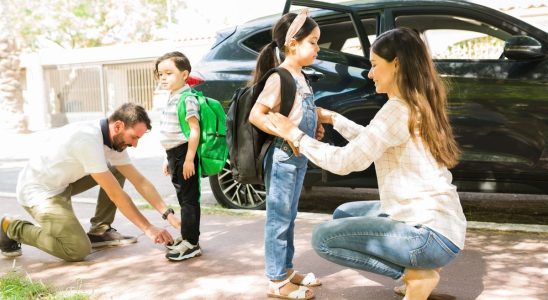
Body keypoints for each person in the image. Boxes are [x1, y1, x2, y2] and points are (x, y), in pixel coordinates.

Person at [265, 27, 467, 300]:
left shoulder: (397, 109)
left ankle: (415, 276)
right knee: (343, 215)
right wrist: (335, 119)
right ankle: (417, 271)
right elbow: (373, 141)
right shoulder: (414, 102)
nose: (370, 73)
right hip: (444, 226)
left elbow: (346, 161)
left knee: (324, 238)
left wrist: (295, 136)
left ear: (396, 64)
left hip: (429, 237)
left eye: (374, 65)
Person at [0, 103, 180, 262]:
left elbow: (140, 181)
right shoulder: (88, 140)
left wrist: (168, 214)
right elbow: (115, 194)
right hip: (39, 193)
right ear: (118, 126)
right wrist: (148, 228)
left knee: (115, 169)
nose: (135, 145)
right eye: (134, 137)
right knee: (76, 249)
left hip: (62, 183)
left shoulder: (113, 141)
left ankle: (99, 231)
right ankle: (11, 227)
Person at [248, 9, 324, 300]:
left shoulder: (300, 75)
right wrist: (287, 133)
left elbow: (296, 113)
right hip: (282, 157)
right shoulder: (280, 77)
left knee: (289, 216)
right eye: (313, 42)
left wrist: (312, 128)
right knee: (279, 218)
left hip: (298, 156)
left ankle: (287, 269)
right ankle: (277, 280)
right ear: (293, 44)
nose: (317, 48)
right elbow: (257, 115)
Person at [155, 51, 202, 261]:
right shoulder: (172, 97)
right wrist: (167, 157)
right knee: (183, 198)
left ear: (184, 75)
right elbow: (172, 130)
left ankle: (191, 243)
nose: (163, 77)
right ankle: (186, 238)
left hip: (185, 153)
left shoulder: (188, 98)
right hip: (174, 153)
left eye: (168, 73)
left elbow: (194, 130)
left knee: (189, 200)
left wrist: (189, 158)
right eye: (160, 74)